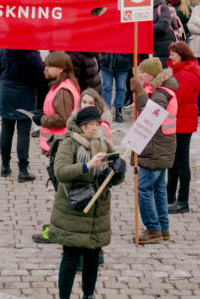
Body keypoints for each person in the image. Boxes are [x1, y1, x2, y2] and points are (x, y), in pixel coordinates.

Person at [47, 105, 125, 299]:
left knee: (92, 258)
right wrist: (87, 165)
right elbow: (61, 172)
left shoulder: (104, 143)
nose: (94, 128)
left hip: (97, 211)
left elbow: (112, 179)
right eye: (90, 124)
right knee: (71, 258)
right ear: (81, 125)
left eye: (97, 124)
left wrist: (119, 171)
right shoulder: (69, 143)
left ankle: (88, 295)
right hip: (74, 211)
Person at [129, 57, 178, 244]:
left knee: (144, 189)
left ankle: (153, 229)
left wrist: (140, 93)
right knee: (159, 189)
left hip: (155, 148)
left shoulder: (160, 94)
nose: (140, 75)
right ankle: (163, 228)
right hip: (160, 147)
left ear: (151, 74)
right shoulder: (161, 91)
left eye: (142, 72)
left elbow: (149, 117)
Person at [0, 48, 45, 180]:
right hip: (25, 95)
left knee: (6, 129)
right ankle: (23, 170)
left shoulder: (3, 51)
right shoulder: (33, 54)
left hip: (6, 93)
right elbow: (41, 78)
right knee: (23, 132)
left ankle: (5, 166)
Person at [165, 42, 200, 214]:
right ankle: (170, 195)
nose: (170, 57)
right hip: (177, 121)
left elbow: (176, 98)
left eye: (173, 54)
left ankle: (183, 200)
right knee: (173, 162)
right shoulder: (179, 71)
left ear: (182, 54)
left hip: (183, 123)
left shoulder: (187, 73)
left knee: (181, 163)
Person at [35, 51, 81, 155]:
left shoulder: (63, 91)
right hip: (57, 143)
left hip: (59, 144)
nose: (45, 68)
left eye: (49, 66)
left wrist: (41, 119)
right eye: (45, 65)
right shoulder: (61, 86)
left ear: (60, 68)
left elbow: (62, 119)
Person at [99, 52, 132, 122]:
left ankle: (119, 110)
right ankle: (106, 111)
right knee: (107, 88)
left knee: (121, 88)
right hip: (106, 61)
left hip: (123, 61)